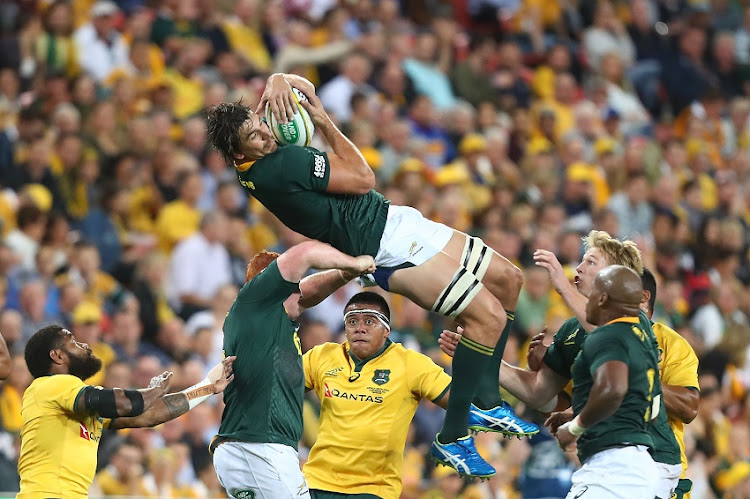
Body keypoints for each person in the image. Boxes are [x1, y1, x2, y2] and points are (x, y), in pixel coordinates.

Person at [206, 72, 537, 477]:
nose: (265, 135)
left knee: (509, 279)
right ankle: (456, 434)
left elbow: (298, 89)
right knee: (489, 317)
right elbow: (364, 179)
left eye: (260, 125)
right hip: (384, 244)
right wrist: (323, 119)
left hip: (392, 218)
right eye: (255, 136)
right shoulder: (284, 163)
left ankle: (488, 395)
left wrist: (278, 78)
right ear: (238, 152)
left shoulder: (250, 164)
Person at [440, 230, 685, 498]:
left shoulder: (631, 322)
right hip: (613, 460)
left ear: (614, 276)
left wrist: (575, 425)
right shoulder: (572, 330)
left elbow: (607, 346)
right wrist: (481, 356)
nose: (578, 268)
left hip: (646, 457)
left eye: (590, 262)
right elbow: (538, 392)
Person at [210, 241, 377, 498]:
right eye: (293, 285)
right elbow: (304, 252)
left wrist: (347, 274)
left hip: (261, 449)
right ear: (273, 288)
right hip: (258, 448)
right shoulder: (255, 302)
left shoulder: (269, 321)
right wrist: (353, 262)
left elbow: (309, 291)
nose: (301, 293)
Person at [17, 324, 234, 498]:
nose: (84, 345)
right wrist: (154, 390)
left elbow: (149, 415)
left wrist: (206, 387)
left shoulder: (77, 404)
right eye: (73, 342)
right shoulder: (51, 385)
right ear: (57, 356)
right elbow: (126, 403)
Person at [303, 291, 452, 498]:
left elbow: (459, 403)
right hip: (317, 483)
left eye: (370, 322)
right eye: (352, 321)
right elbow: (277, 386)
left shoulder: (410, 363)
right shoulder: (322, 356)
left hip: (372, 488)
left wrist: (471, 360)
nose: (360, 328)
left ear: (386, 330)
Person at [553, 265, 659, 497]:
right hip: (639, 466)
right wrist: (578, 410)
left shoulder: (608, 335)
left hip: (612, 469)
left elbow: (613, 389)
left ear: (601, 298)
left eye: (590, 295)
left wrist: (574, 427)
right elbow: (639, 401)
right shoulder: (644, 339)